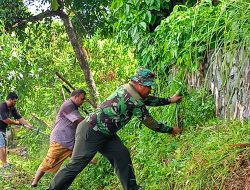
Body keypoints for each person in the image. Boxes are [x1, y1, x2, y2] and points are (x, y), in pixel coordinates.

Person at [48, 68, 182, 190]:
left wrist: (170, 100)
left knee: (121, 155)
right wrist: (171, 130)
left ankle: (132, 188)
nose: (150, 90)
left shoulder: (129, 89)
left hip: (105, 133)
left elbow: (147, 99)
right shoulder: (133, 98)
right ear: (140, 84)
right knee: (76, 165)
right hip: (90, 131)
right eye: (149, 87)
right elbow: (151, 123)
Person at [31, 89, 96, 187]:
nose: (83, 101)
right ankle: (34, 182)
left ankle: (95, 162)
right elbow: (80, 121)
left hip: (69, 142)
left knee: (80, 156)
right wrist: (94, 121)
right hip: (61, 141)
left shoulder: (73, 106)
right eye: (82, 99)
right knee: (48, 161)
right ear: (75, 97)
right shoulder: (68, 105)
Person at [0, 92, 33, 168]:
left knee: (4, 146)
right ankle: (5, 164)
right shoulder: (2, 107)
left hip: (3, 129)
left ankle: (5, 164)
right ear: (10, 100)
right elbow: (6, 120)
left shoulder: (12, 108)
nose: (15, 103)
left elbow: (19, 117)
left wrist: (28, 125)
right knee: (1, 146)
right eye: (14, 101)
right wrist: (19, 124)